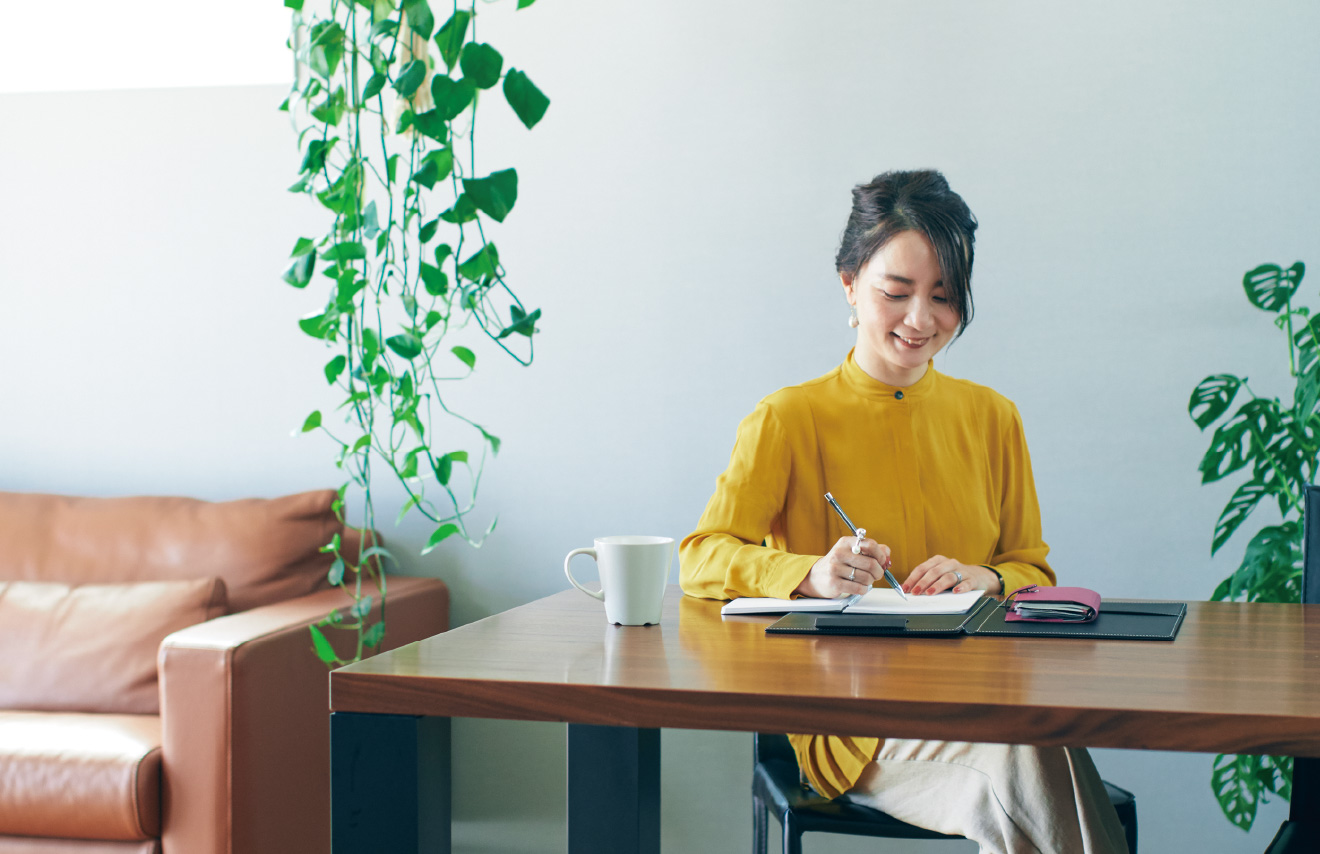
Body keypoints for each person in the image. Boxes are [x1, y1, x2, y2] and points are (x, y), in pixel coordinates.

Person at [679, 170, 1129, 854]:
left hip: (980, 696)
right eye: (897, 292)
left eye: (944, 298)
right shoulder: (788, 419)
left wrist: (985, 576)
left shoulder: (993, 418)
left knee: (1034, 751)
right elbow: (701, 555)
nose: (921, 320)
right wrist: (811, 574)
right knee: (1029, 761)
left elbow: (1032, 567)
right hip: (854, 724)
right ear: (850, 285)